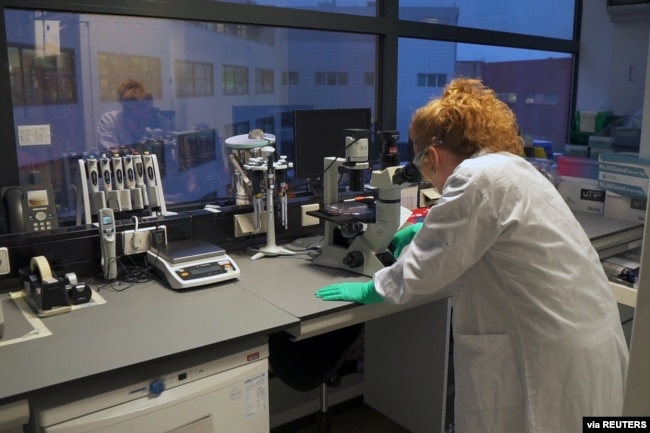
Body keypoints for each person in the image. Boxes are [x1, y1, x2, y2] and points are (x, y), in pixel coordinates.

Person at [315, 77, 628, 433]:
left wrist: (376, 287)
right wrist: (429, 229)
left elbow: (424, 272)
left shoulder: (474, 178)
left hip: (545, 360)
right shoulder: (513, 168)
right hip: (589, 341)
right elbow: (490, 228)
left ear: (430, 157)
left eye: (423, 171)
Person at [97, 78, 155, 151]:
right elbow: (110, 153)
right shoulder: (110, 121)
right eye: (142, 107)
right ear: (128, 109)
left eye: (149, 108)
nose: (147, 113)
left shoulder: (152, 123)